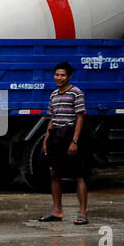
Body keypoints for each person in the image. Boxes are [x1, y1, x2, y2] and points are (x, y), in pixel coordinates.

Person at [39, 62, 89, 225]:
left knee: (78, 175)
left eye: (62, 75)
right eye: (57, 75)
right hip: (56, 137)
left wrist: (74, 141)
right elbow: (52, 118)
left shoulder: (76, 93)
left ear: (69, 76)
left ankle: (82, 213)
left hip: (69, 135)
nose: (59, 78)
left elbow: (80, 117)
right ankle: (57, 211)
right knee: (54, 174)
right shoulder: (54, 95)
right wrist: (47, 139)